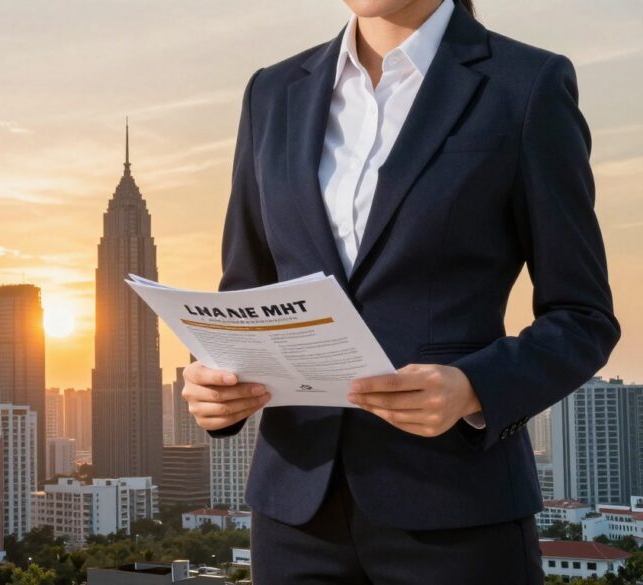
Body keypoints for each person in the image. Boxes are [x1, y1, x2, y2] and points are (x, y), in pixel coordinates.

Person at [179, 0, 620, 583]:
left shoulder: (525, 85)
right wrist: (212, 379)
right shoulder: (272, 92)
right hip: (294, 515)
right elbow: (246, 290)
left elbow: (583, 316)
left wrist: (472, 389)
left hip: (455, 509)